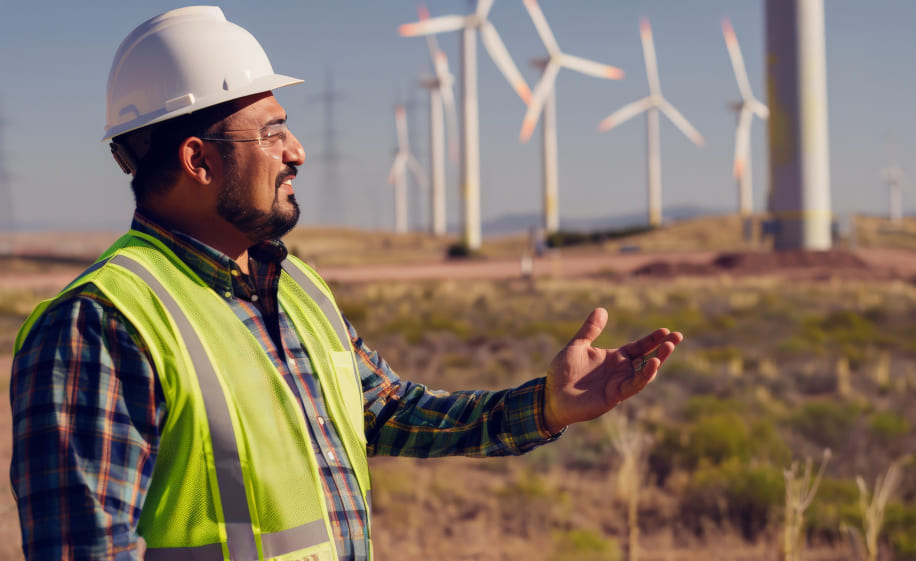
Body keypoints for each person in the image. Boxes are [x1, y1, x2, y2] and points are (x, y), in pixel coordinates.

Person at [9, 7, 683, 561]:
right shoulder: (99, 323)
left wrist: (545, 407)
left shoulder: (294, 285)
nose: (297, 150)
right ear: (199, 160)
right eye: (272, 132)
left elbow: (385, 410)